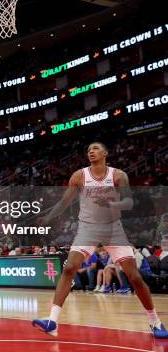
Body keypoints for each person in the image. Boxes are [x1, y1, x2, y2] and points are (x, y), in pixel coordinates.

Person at [32, 142, 168, 338]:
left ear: (105, 152)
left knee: (135, 278)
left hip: (113, 229)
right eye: (88, 150)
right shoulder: (79, 176)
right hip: (87, 228)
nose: (91, 152)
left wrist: (112, 203)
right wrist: (48, 218)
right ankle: (52, 321)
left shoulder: (118, 175)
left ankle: (155, 321)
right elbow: (64, 202)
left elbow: (129, 202)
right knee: (70, 267)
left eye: (95, 149)